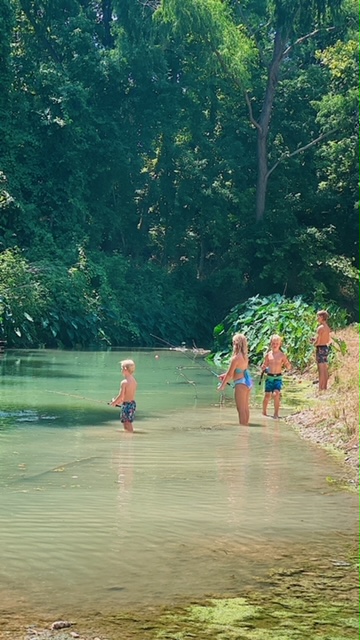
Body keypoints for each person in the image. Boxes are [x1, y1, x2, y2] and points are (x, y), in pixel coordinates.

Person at [218, 333, 252, 426]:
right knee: (245, 408)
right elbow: (238, 371)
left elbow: (229, 374)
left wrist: (222, 385)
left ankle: (243, 429)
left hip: (240, 384)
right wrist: (224, 375)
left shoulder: (235, 358)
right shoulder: (245, 356)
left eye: (233, 343)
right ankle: (246, 425)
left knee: (240, 409)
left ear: (236, 344)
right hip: (247, 381)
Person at [261, 335, 291, 419]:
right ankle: (264, 412)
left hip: (278, 377)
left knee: (276, 394)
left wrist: (288, 366)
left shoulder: (282, 355)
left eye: (277, 343)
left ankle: (276, 413)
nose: (275, 345)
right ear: (270, 344)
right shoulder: (268, 355)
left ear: (280, 344)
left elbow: (287, 363)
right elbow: (265, 364)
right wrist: (263, 367)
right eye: (273, 343)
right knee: (267, 395)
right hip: (269, 377)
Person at [110, 359, 137, 432]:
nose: (121, 370)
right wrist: (118, 402)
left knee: (126, 423)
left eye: (122, 368)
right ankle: (129, 436)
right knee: (128, 422)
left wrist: (114, 402)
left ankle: (128, 438)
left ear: (125, 369)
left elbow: (121, 395)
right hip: (132, 404)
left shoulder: (124, 382)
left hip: (126, 405)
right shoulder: (134, 381)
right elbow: (127, 395)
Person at [312, 309, 331, 391]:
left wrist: (314, 343)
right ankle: (325, 387)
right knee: (325, 369)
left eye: (318, 316)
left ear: (322, 317)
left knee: (321, 369)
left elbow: (318, 342)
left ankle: (320, 388)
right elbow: (327, 340)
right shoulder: (327, 328)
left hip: (320, 348)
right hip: (325, 348)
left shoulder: (320, 328)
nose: (317, 318)